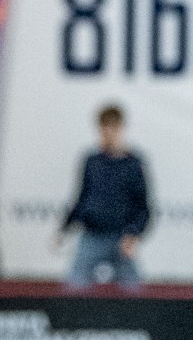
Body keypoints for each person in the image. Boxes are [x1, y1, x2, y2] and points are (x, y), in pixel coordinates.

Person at [56, 104, 151, 289]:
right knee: (74, 286)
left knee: (134, 290)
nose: (108, 134)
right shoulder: (92, 162)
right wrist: (65, 227)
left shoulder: (134, 164)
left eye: (112, 128)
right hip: (92, 235)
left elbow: (143, 207)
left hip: (121, 237)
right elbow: (82, 199)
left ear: (121, 129)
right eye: (103, 128)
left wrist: (133, 234)